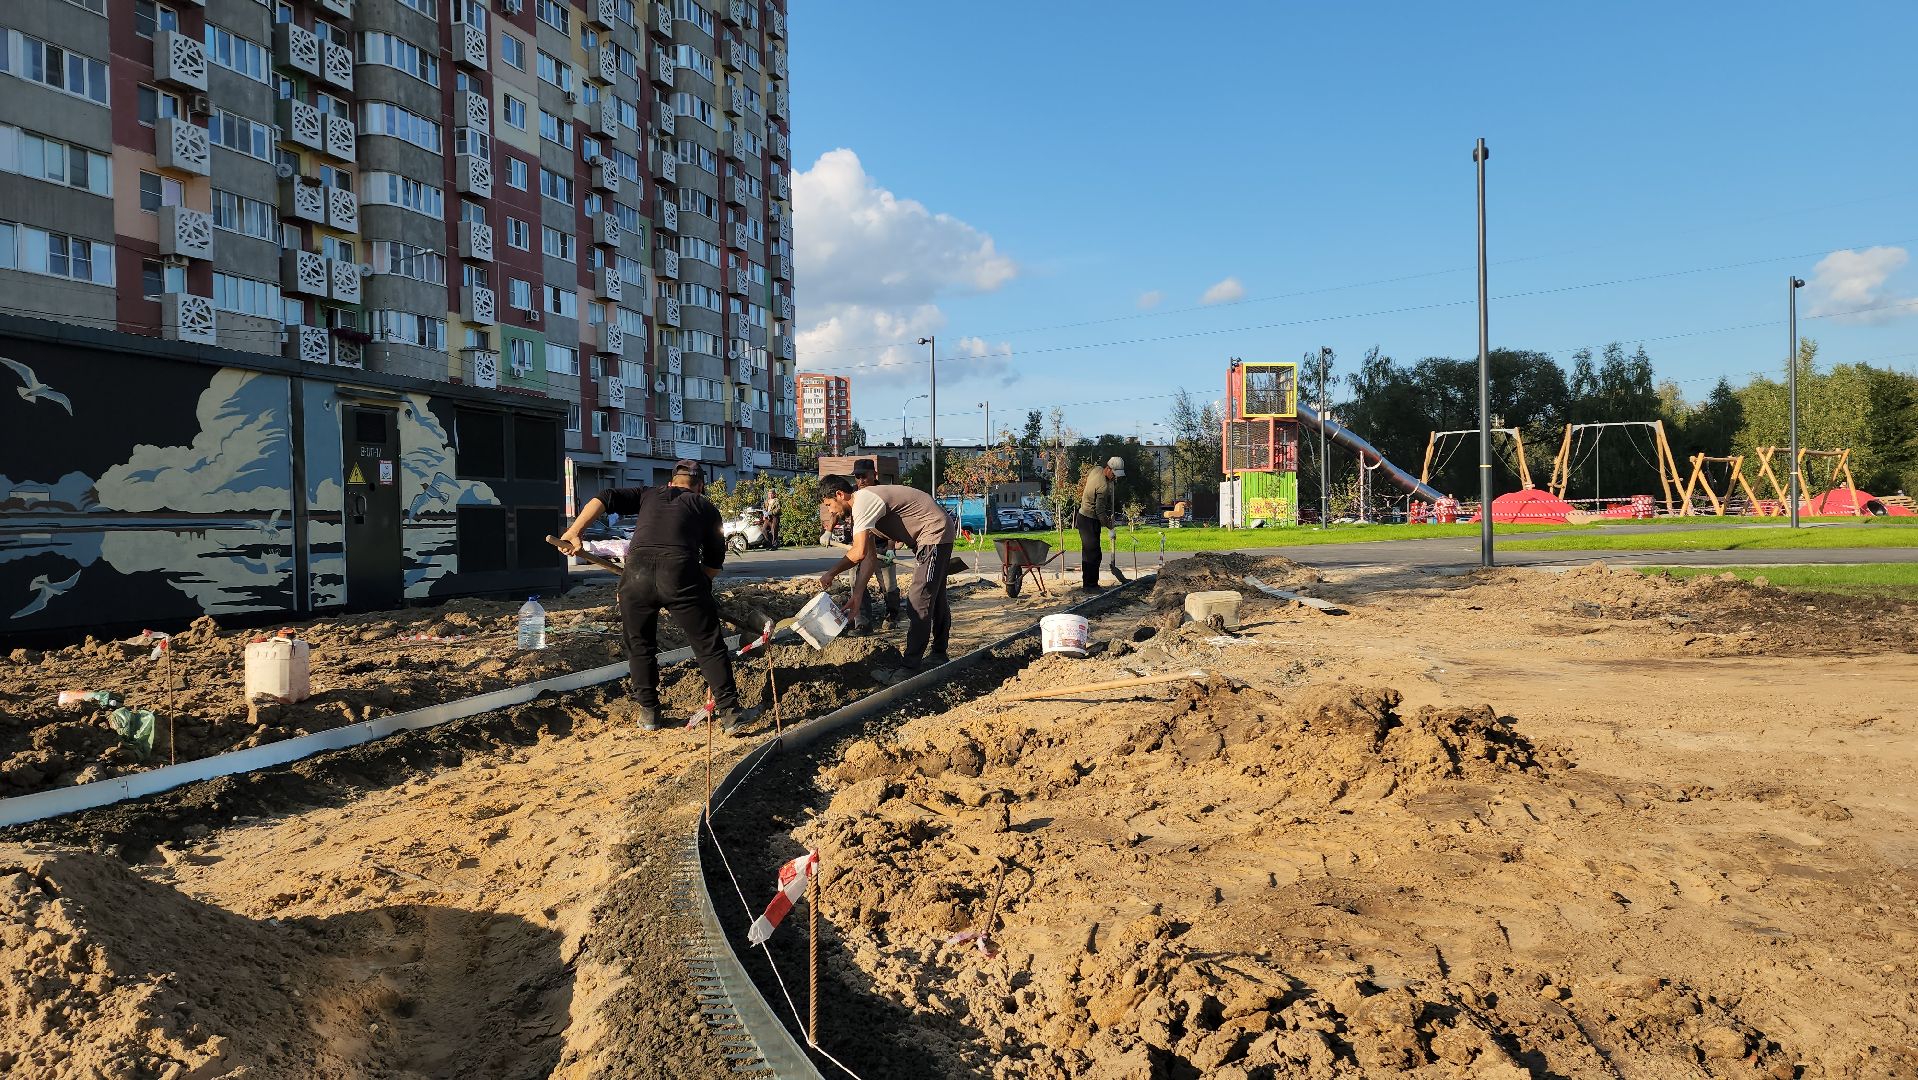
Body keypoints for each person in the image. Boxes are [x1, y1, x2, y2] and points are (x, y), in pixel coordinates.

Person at [555, 460, 759, 734]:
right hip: (680, 573)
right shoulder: (705, 507)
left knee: (640, 646)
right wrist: (700, 592)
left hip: (635, 575)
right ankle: (731, 714)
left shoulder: (648, 494)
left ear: (671, 482)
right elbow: (713, 563)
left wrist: (574, 532)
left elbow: (603, 498)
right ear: (700, 487)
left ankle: (649, 714)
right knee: (708, 646)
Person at [817, 475, 954, 683]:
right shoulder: (862, 509)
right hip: (929, 537)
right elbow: (870, 558)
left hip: (934, 533)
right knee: (934, 595)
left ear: (839, 495)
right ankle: (939, 653)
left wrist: (831, 573)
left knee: (919, 599)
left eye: (829, 505)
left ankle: (911, 667)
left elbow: (858, 552)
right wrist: (857, 595)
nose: (830, 512)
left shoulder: (862, 501)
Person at [851, 459, 902, 632]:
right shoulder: (854, 495)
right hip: (861, 547)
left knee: (888, 586)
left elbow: (894, 523)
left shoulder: (883, 494)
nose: (861, 481)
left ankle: (892, 616)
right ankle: (862, 623)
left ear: (874, 475)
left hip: (882, 547)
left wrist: (891, 548)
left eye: (864, 476)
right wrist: (829, 530)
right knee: (856, 583)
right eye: (857, 477)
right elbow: (839, 510)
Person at [1076, 456, 1123, 591]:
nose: (1115, 477)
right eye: (1114, 474)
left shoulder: (1096, 470)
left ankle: (1088, 584)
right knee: (1094, 554)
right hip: (1090, 520)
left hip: (1082, 517)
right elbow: (1100, 512)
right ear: (1108, 469)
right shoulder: (1103, 487)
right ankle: (1091, 586)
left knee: (1088, 553)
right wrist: (1110, 526)